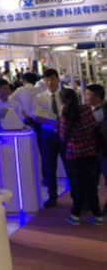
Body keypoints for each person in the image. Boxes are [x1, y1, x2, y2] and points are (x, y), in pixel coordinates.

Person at [59, 89, 103, 225]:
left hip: (75, 153)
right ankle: (96, 214)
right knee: (91, 184)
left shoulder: (66, 114)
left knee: (78, 184)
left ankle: (75, 214)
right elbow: (93, 126)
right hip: (90, 151)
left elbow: (63, 136)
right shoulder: (86, 109)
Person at [33, 68, 67, 208]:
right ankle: (52, 195)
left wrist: (62, 123)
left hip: (65, 133)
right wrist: (53, 123)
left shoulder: (66, 95)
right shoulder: (39, 97)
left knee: (70, 165)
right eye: (46, 80)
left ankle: (77, 197)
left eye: (52, 79)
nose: (49, 82)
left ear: (57, 79)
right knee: (49, 166)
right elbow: (36, 117)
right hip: (48, 134)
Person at [85, 84, 107, 213]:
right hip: (91, 150)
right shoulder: (86, 110)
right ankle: (92, 205)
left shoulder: (105, 109)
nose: (86, 97)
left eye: (88, 94)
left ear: (98, 97)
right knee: (92, 178)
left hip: (104, 149)